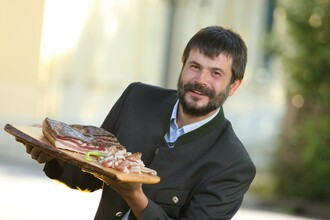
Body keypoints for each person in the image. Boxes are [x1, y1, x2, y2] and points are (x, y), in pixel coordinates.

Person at [25, 25, 256, 220]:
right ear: (183, 65)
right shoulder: (136, 98)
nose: (200, 81)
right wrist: (55, 157)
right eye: (195, 67)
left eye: (215, 73)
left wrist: (135, 196)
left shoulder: (234, 165)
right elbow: (87, 174)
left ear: (234, 85)